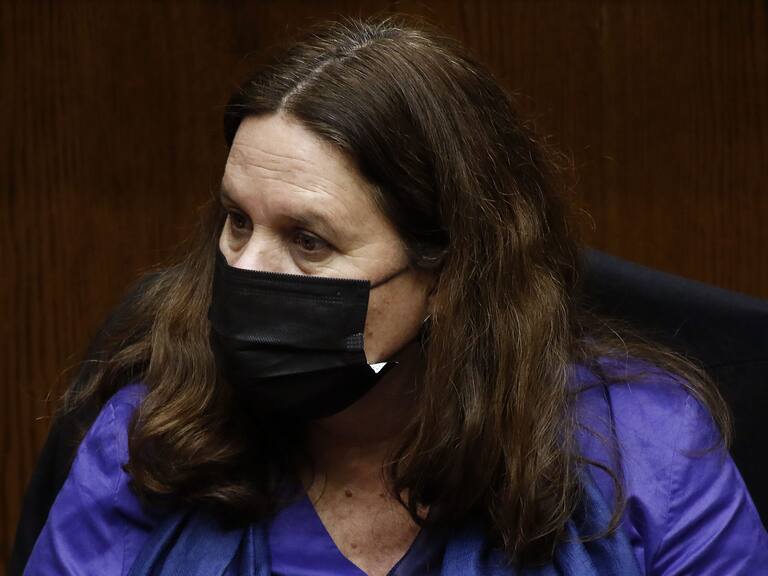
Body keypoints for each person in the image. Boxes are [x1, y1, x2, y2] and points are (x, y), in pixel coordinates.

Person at [17, 14, 768, 576]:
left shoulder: (648, 464)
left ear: (448, 273)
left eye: (309, 241)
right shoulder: (144, 446)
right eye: (237, 223)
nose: (249, 269)